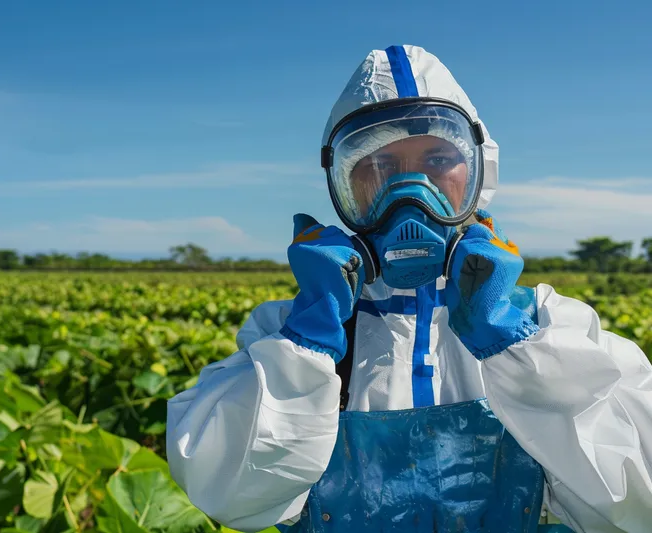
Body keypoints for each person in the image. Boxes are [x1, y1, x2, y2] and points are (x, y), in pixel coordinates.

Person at [165, 45, 652, 533]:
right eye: (379, 167)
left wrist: (514, 344)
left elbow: (637, 497)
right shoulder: (289, 332)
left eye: (438, 159)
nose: (411, 192)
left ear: (478, 174)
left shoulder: (546, 322)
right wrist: (308, 344)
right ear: (343, 189)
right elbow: (230, 495)